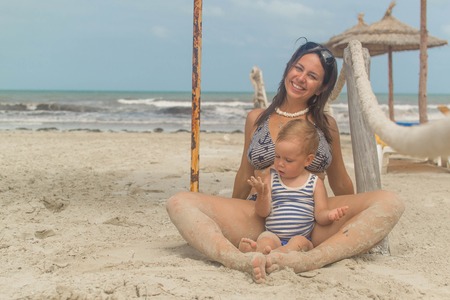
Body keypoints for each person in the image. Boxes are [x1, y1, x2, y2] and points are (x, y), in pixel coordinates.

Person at [166, 40, 404, 284]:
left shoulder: (326, 125)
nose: (301, 78)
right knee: (179, 202)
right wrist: (229, 213)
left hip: (312, 221)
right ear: (288, 68)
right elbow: (244, 174)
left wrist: (350, 215)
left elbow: (340, 181)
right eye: (298, 68)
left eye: (312, 76)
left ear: (321, 88)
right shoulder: (256, 118)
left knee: (390, 201)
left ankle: (311, 259)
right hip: (261, 216)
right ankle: (237, 260)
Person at [238, 119, 348, 255]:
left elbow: (320, 215)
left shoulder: (314, 182)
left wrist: (330, 215)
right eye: (277, 156)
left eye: (288, 160)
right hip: (274, 235)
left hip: (302, 237)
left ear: (308, 160)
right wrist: (262, 195)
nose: (280, 164)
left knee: (299, 243)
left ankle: (277, 253)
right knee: (266, 239)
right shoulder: (271, 179)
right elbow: (263, 213)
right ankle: (260, 250)